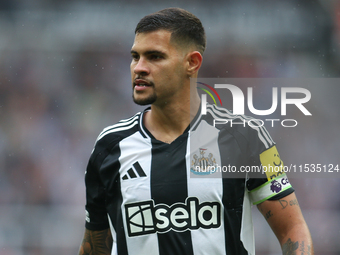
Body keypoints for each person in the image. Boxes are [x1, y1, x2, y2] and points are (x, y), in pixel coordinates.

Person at [78, 7, 313, 255]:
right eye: (135, 56)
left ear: (192, 62)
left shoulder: (248, 136)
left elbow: (293, 230)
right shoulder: (109, 145)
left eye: (155, 57)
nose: (139, 67)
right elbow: (94, 247)